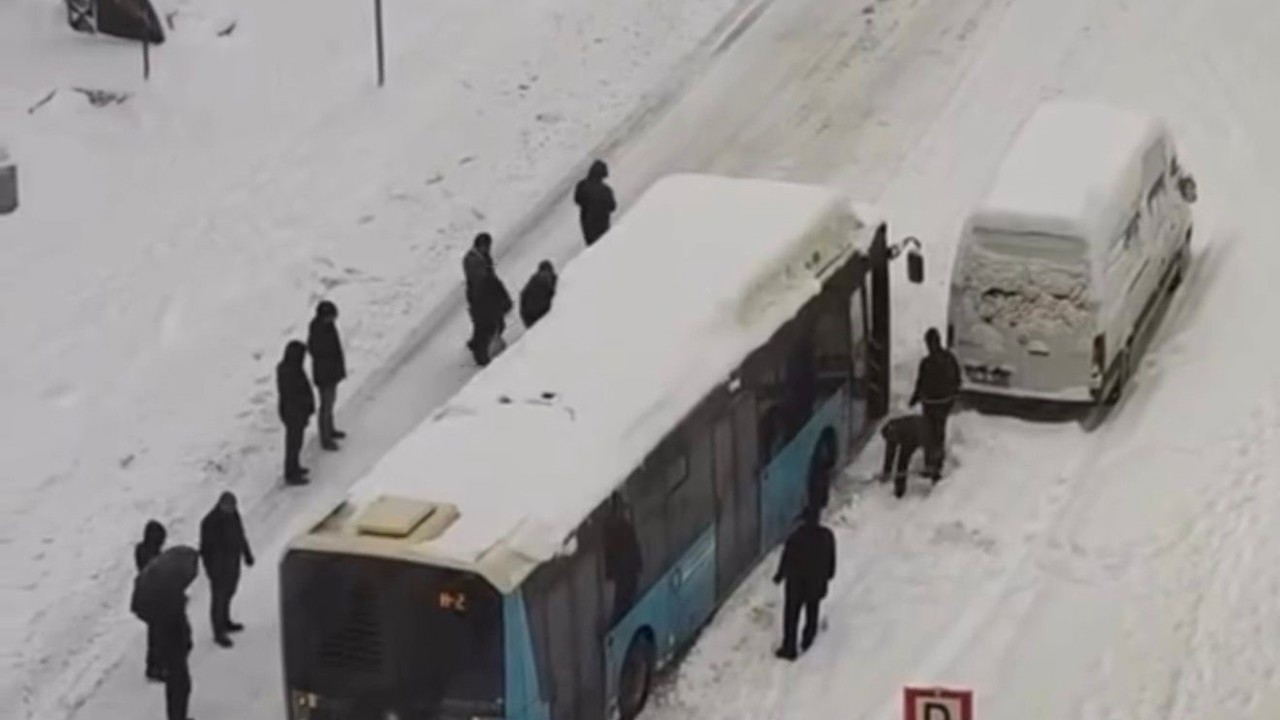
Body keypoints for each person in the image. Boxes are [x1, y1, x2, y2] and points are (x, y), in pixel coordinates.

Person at [773, 505, 836, 660]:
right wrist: (827, 577)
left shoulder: (795, 537)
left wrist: (779, 576)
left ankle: (790, 648)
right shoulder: (826, 536)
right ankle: (808, 639)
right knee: (812, 610)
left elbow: (786, 559)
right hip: (816, 583)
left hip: (796, 584)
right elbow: (831, 560)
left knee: (791, 616)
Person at [200, 492, 254, 648]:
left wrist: (247, 554)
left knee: (230, 592)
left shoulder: (234, 516)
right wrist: (210, 570)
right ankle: (218, 632)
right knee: (218, 598)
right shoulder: (209, 522)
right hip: (218, 566)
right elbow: (206, 549)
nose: (231, 509)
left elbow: (240, 535)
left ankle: (225, 620)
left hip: (233, 562)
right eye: (229, 506)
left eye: (233, 506)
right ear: (221, 504)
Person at [909, 327, 961, 480]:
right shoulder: (950, 358)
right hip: (944, 402)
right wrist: (954, 395)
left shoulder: (926, 362)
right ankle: (937, 465)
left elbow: (920, 383)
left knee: (929, 433)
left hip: (930, 403)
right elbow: (957, 377)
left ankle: (930, 464)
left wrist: (914, 399)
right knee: (939, 432)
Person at [307, 300, 347, 451]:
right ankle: (325, 437)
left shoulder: (327, 327)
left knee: (330, 404)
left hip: (331, 373)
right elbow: (320, 352)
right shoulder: (318, 331)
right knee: (326, 405)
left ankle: (330, 430)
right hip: (325, 375)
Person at [276, 340, 315, 484]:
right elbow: (296, 393)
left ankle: (295, 467)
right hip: (294, 413)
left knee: (296, 443)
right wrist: (305, 406)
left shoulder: (289, 368)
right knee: (293, 443)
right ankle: (291, 473)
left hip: (294, 411)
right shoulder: (291, 371)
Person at [135, 520, 167, 681]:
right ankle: (154, 667)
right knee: (156, 634)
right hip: (153, 599)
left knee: (157, 633)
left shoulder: (144, 550)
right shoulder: (149, 554)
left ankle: (157, 664)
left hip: (150, 598)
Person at [603, 494, 643, 623]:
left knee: (623, 600)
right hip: (625, 571)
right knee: (624, 599)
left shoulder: (611, 528)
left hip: (625, 572)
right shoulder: (619, 527)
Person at [879, 413, 935, 499]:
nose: (892, 443)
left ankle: (935, 477)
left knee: (903, 461)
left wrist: (929, 464)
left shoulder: (908, 434)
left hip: (919, 432)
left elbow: (928, 446)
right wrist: (887, 470)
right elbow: (890, 452)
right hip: (912, 428)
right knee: (901, 462)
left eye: (892, 439)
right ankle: (899, 489)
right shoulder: (891, 431)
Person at [156, 594, 193, 720]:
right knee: (179, 687)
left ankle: (178, 716)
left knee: (179, 686)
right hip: (173, 647)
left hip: (174, 645)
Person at [463, 233, 497, 362]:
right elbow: (479, 279)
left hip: (483, 294)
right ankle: (480, 354)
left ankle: (476, 343)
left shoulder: (483, 256)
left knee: (483, 323)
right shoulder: (472, 260)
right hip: (478, 296)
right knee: (484, 323)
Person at [471, 269, 512, 367]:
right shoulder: (490, 281)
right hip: (491, 315)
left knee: (488, 332)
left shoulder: (476, 286)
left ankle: (487, 357)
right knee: (493, 331)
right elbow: (501, 293)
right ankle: (496, 355)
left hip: (487, 315)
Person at [573, 159, 617, 246]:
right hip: (603, 223)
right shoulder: (606, 190)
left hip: (587, 223)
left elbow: (577, 200)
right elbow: (613, 206)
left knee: (592, 246)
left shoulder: (582, 185)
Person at [519, 260, 557, 329]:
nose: (545, 276)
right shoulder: (536, 285)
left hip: (534, 318)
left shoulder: (533, 283)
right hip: (536, 319)